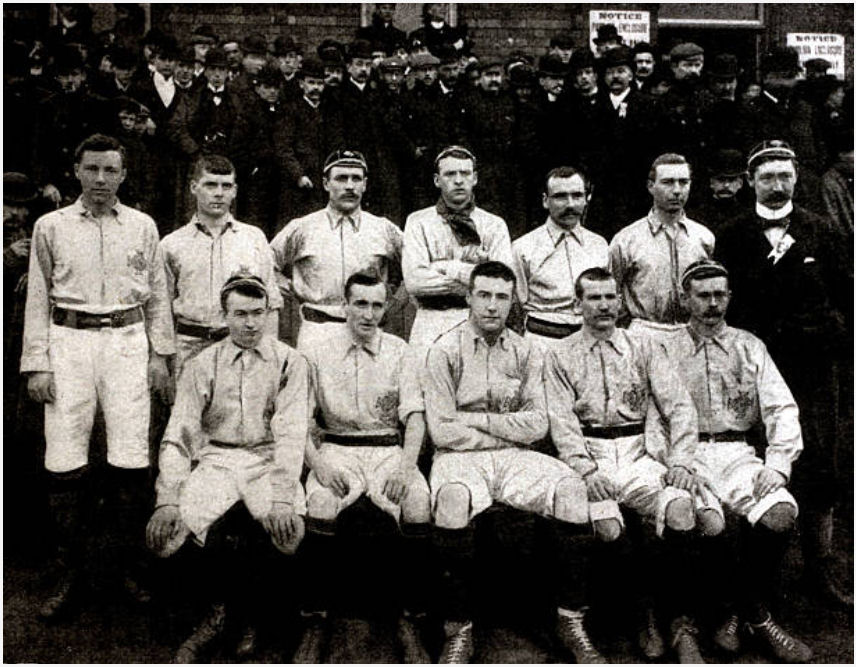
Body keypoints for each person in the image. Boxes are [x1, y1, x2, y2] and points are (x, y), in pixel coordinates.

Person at [21, 133, 174, 620]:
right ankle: (73, 574)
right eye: (93, 169)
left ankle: (124, 569)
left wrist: (160, 356)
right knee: (65, 458)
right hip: (69, 341)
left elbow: (157, 296)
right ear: (76, 171)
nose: (102, 179)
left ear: (124, 175)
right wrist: (39, 363)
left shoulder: (143, 226)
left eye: (111, 170)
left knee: (130, 458)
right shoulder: (52, 225)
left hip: (128, 340)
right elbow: (39, 298)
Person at [422, 261, 602, 664]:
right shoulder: (443, 349)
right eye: (483, 295)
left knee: (572, 490)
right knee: (451, 502)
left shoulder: (528, 350)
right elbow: (442, 431)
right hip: (459, 458)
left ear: (513, 301)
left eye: (502, 297)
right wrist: (502, 426)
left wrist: (474, 420)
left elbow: (538, 426)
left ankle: (570, 621)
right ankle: (458, 630)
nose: (491, 306)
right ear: (468, 297)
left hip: (515, 456)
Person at [714, 139, 851, 610]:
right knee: (753, 465)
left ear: (796, 179)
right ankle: (755, 581)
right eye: (767, 176)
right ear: (750, 181)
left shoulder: (823, 231)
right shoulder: (729, 236)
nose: (777, 184)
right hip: (752, 370)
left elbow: (845, 301)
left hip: (812, 369)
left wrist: (820, 333)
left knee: (818, 465)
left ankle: (820, 572)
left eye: (785, 175)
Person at [544, 266, 706, 662]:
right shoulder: (560, 354)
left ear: (619, 301)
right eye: (594, 298)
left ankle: (681, 623)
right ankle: (641, 615)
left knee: (682, 508)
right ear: (577, 303)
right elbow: (560, 421)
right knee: (609, 528)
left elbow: (680, 406)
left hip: (639, 452)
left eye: (610, 297)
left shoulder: (645, 347)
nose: (604, 305)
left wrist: (682, 459)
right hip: (591, 455)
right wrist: (584, 468)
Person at [146, 273, 308, 661]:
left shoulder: (291, 361)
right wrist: (167, 498)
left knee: (289, 532)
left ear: (269, 312)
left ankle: (255, 618)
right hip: (218, 457)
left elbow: (290, 435)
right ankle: (215, 615)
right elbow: (179, 434)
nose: (250, 323)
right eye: (240, 314)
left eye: (257, 313)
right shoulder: (203, 362)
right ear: (225, 314)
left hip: (267, 459)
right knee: (168, 536)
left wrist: (284, 498)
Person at [667, 259, 813, 662]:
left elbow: (782, 408)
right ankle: (732, 617)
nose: (713, 303)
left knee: (781, 511)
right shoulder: (665, 347)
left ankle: (742, 611)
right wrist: (674, 461)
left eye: (720, 294)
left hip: (736, 453)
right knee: (700, 520)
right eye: (703, 295)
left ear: (729, 297)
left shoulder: (750, 345)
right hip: (686, 454)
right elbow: (653, 414)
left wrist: (778, 463)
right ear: (685, 299)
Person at [293, 272, 432, 663]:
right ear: (344, 306)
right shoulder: (317, 352)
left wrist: (406, 468)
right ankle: (315, 619)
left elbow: (415, 418)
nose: (368, 314)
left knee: (419, 503)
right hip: (337, 449)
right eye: (360, 304)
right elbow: (297, 423)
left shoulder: (400, 350)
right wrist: (318, 465)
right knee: (320, 503)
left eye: (376, 305)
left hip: (388, 449)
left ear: (386, 307)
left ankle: (412, 618)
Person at [160, 154, 283, 378]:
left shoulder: (253, 238)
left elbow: (271, 303)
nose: (219, 193)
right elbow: (162, 307)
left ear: (235, 190)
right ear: (194, 187)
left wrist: (270, 354)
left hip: (241, 347)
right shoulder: (172, 244)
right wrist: (162, 357)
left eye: (226, 186)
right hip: (190, 347)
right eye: (210, 185)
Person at [270, 149, 403, 348]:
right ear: (326, 184)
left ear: (365, 184)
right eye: (341, 178)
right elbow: (265, 263)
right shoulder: (303, 228)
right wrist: (289, 290)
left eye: (356, 179)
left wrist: (392, 303)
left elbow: (414, 264)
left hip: (368, 331)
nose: (350, 186)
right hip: (318, 330)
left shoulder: (383, 228)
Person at [402, 146, 514, 348]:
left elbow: (500, 282)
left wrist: (445, 267)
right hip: (430, 323)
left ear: (475, 178)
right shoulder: (418, 222)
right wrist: (477, 276)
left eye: (465, 173)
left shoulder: (494, 225)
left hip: (478, 322)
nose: (458, 180)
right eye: (450, 174)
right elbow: (415, 282)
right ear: (437, 180)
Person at [608, 153, 715, 335]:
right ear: (651, 186)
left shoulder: (704, 238)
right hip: (642, 336)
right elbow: (611, 292)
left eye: (683, 182)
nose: (676, 190)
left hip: (691, 335)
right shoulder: (626, 240)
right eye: (668, 182)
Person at [512, 167, 607, 347]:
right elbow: (515, 306)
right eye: (560, 196)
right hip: (542, 342)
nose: (570, 204)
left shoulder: (599, 245)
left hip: (590, 341)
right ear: (545, 201)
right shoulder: (523, 247)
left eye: (577, 195)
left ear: (587, 199)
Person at [274, 57, 335, 227]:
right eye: (311, 83)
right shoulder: (291, 111)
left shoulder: (328, 111)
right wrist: (298, 175)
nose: (316, 88)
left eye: (320, 83)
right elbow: (283, 148)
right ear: (302, 84)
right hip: (298, 185)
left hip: (322, 182)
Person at [685, 148, 748, 235]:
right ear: (711, 182)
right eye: (721, 180)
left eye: (731, 180)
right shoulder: (695, 216)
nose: (726, 185)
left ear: (740, 183)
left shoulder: (747, 216)